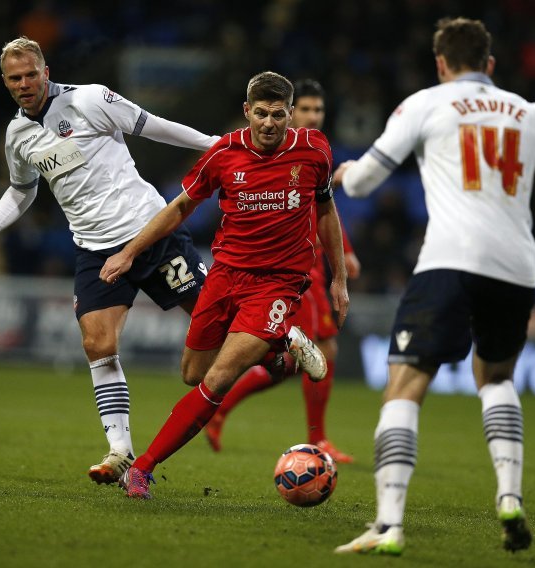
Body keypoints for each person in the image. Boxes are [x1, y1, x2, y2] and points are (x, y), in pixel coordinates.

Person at [331, 17, 535, 556]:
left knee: (404, 386)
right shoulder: (531, 114)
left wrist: (345, 173)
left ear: (441, 64)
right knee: (496, 376)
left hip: (449, 259)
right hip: (517, 267)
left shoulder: (426, 103)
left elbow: (367, 182)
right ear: (490, 65)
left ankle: (389, 524)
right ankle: (509, 496)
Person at [0, 37, 220, 485]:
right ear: (5, 82)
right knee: (98, 344)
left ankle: (280, 335)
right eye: (14, 78)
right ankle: (120, 451)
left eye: (30, 74)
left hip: (150, 232)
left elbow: (150, 125)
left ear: (46, 70)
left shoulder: (89, 99)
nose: (23, 84)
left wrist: (215, 144)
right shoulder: (17, 135)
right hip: (95, 250)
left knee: (215, 325)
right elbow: (22, 191)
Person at [98, 70, 350, 500]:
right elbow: (179, 208)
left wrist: (339, 279)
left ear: (291, 115)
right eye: (261, 114)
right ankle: (281, 342)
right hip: (225, 276)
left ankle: (142, 469)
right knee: (192, 373)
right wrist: (129, 252)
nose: (269, 123)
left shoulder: (313, 151)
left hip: (278, 283)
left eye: (278, 115)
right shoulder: (223, 154)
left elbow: (325, 212)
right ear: (246, 112)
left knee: (216, 379)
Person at [203, 78, 362, 463]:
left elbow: (324, 209)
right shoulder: (275, 153)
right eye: (304, 110)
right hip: (289, 269)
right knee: (310, 352)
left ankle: (226, 407)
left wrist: (345, 257)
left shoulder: (313, 152)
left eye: (317, 111)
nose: (311, 117)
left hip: (315, 271)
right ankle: (314, 437)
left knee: (309, 355)